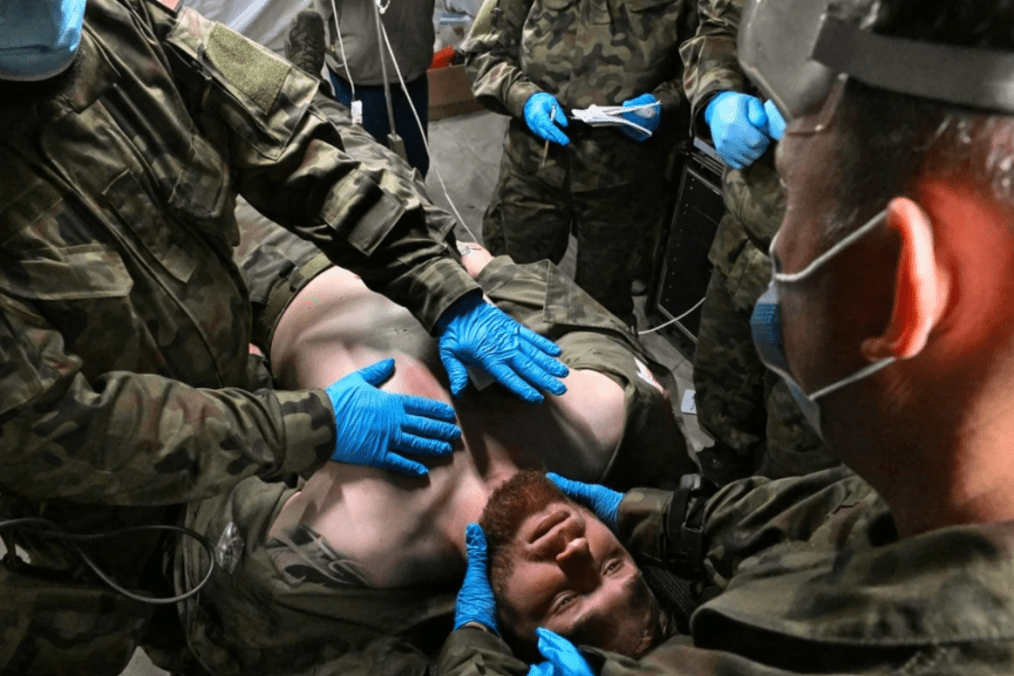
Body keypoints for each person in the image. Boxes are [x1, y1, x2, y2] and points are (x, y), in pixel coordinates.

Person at [438, 0, 1014, 673]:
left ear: (902, 284)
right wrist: (656, 516)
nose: (778, 246)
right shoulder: (924, 518)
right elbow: (831, 518)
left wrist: (471, 651)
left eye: (793, 195)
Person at [0, 1, 569, 673]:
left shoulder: (113, 17)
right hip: (93, 512)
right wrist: (305, 426)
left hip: (238, 398)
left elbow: (290, 137)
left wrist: (438, 284)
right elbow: (53, 426)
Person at [174, 212, 695, 675]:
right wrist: (475, 271)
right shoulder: (601, 424)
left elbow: (210, 514)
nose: (577, 550)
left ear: (504, 626)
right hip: (390, 225)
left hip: (248, 269)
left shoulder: (367, 545)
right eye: (612, 566)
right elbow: (593, 331)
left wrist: (255, 388)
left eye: (565, 601)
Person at [680, 0, 835, 484]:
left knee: (798, 464)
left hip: (844, 279)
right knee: (723, 403)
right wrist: (718, 96)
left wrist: (844, 118)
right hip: (748, 235)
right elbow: (723, 23)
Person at [461, 0, 687, 323]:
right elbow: (484, 52)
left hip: (622, 176)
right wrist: (524, 97)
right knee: (513, 293)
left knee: (605, 310)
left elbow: (704, 65)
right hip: (535, 165)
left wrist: (664, 103)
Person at [288, 0, 436, 176]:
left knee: (416, 160)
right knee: (365, 156)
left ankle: (410, 192)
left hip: (412, 58)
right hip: (356, 75)